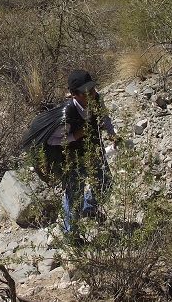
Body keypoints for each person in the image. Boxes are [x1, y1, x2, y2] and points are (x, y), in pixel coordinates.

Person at [44, 69, 116, 238]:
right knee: (74, 195)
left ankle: (89, 208)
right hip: (73, 159)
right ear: (74, 94)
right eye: (86, 92)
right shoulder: (67, 114)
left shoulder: (97, 99)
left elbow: (104, 118)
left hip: (94, 151)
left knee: (105, 183)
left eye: (92, 89)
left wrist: (113, 134)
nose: (91, 94)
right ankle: (72, 236)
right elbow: (51, 141)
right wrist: (74, 136)